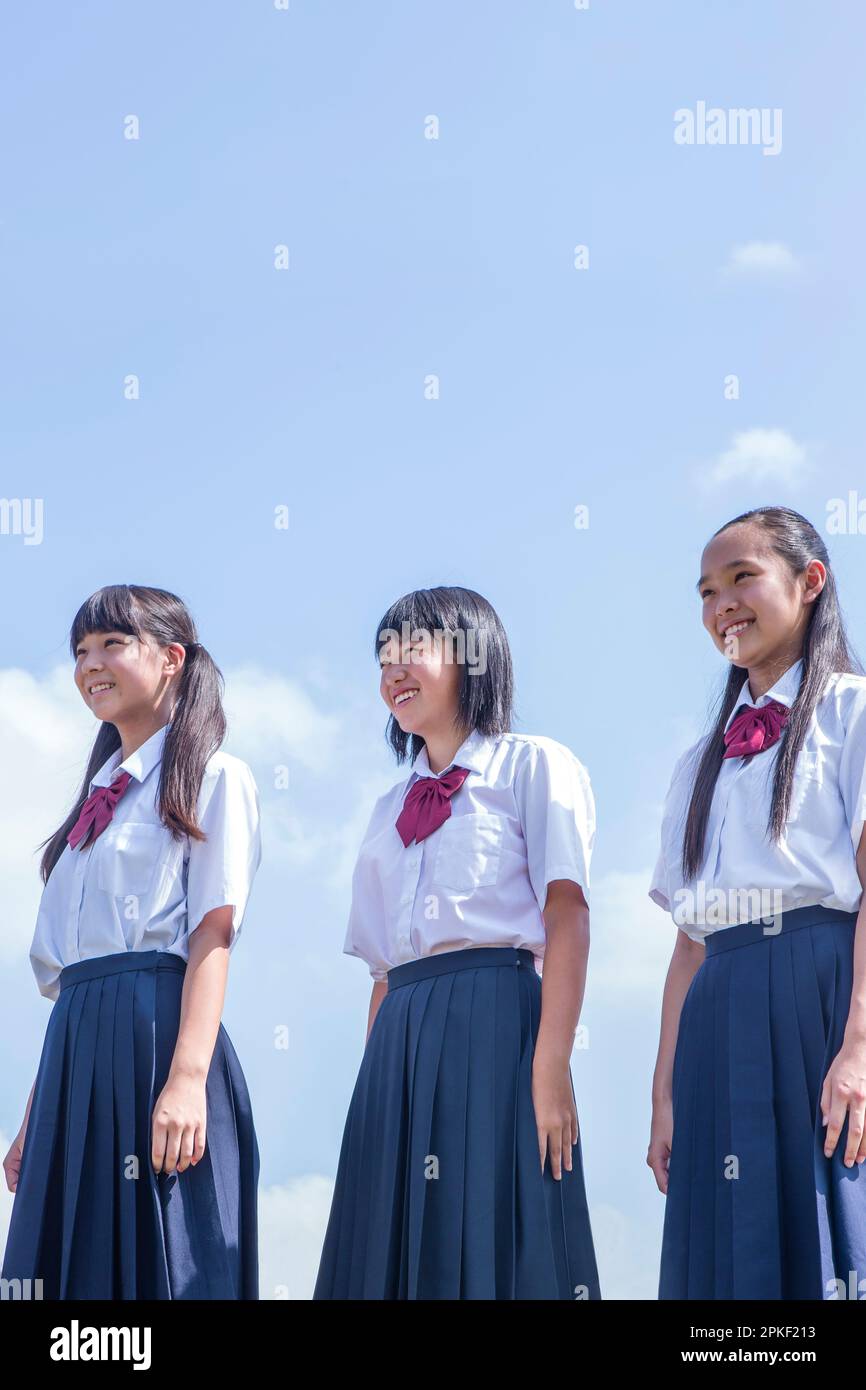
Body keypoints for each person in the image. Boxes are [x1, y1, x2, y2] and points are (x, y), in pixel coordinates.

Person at [314, 585, 601, 1299]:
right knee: (388, 1248)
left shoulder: (534, 765)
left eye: (413, 651)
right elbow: (382, 971)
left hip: (496, 1023)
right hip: (398, 1039)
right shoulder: (387, 808)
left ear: (475, 656)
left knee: (496, 1236)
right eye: (383, 660)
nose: (393, 674)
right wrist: (375, 1092)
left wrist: (550, 1066)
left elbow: (568, 918)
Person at [1, 584, 262, 1299]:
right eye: (81, 651)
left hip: (159, 1039)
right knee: (61, 1274)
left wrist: (185, 1081)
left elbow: (214, 932)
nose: (90, 664)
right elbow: (74, 978)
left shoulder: (214, 775)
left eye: (112, 644)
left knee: (164, 1267)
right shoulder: (91, 805)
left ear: (172, 658)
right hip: (75, 1052)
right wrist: (34, 1114)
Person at [648, 506, 866, 1300]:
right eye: (706, 591)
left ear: (810, 583)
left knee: (833, 1224)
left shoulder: (853, 711)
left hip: (823, 987)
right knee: (727, 1257)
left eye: (743, 578)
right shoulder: (695, 763)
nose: (721, 606)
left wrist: (859, 1047)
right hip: (718, 1004)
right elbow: (687, 941)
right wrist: (662, 1092)